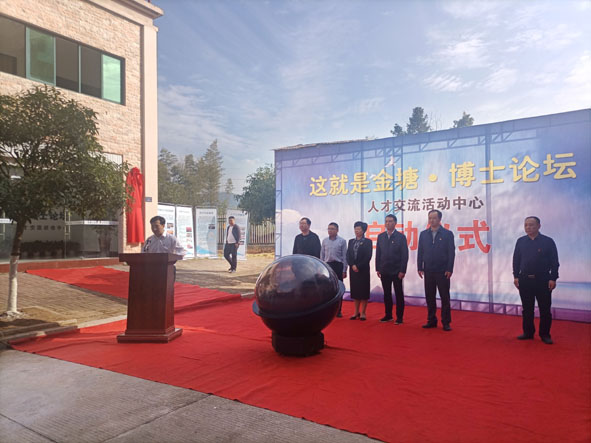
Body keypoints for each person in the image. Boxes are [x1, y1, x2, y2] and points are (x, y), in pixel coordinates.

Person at [512, 216, 559, 345]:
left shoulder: (548, 241)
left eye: (531, 225)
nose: (528, 227)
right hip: (525, 280)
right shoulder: (521, 241)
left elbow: (554, 262)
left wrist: (553, 278)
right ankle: (528, 332)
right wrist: (516, 276)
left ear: (539, 226)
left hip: (543, 280)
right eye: (526, 225)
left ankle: (545, 334)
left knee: (545, 309)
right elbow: (516, 260)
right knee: (527, 309)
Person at [417, 209, 455, 331]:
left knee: (445, 297)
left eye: (434, 218)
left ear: (439, 219)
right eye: (430, 218)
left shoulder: (447, 234)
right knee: (430, 297)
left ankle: (446, 322)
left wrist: (449, 268)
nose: (432, 220)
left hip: (442, 271)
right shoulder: (423, 234)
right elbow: (420, 252)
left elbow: (451, 253)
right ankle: (431, 320)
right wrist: (420, 267)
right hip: (428, 270)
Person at [375, 214, 408, 324]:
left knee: (399, 294)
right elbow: (378, 253)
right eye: (386, 221)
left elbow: (404, 255)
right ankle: (388, 315)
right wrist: (378, 268)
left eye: (390, 221)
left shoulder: (401, 237)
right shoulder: (381, 236)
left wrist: (402, 270)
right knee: (387, 294)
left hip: (397, 271)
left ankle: (400, 317)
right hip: (384, 270)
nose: (388, 223)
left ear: (395, 223)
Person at [320, 222, 348, 317]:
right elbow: (322, 255)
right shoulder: (324, 241)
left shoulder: (342, 241)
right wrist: (321, 267)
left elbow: (344, 256)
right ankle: (328, 310)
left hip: (338, 266)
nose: (330, 231)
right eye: (329, 229)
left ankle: (338, 310)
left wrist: (344, 270)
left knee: (338, 288)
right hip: (327, 266)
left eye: (332, 229)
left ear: (337, 230)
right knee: (327, 289)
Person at [346, 221, 373, 321]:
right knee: (355, 291)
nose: (356, 231)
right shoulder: (351, 241)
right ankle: (356, 312)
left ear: (364, 230)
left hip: (363, 270)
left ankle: (363, 313)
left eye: (359, 229)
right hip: (353, 270)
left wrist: (358, 266)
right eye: (355, 229)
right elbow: (348, 255)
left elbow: (368, 256)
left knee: (363, 291)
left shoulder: (368, 242)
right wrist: (352, 265)